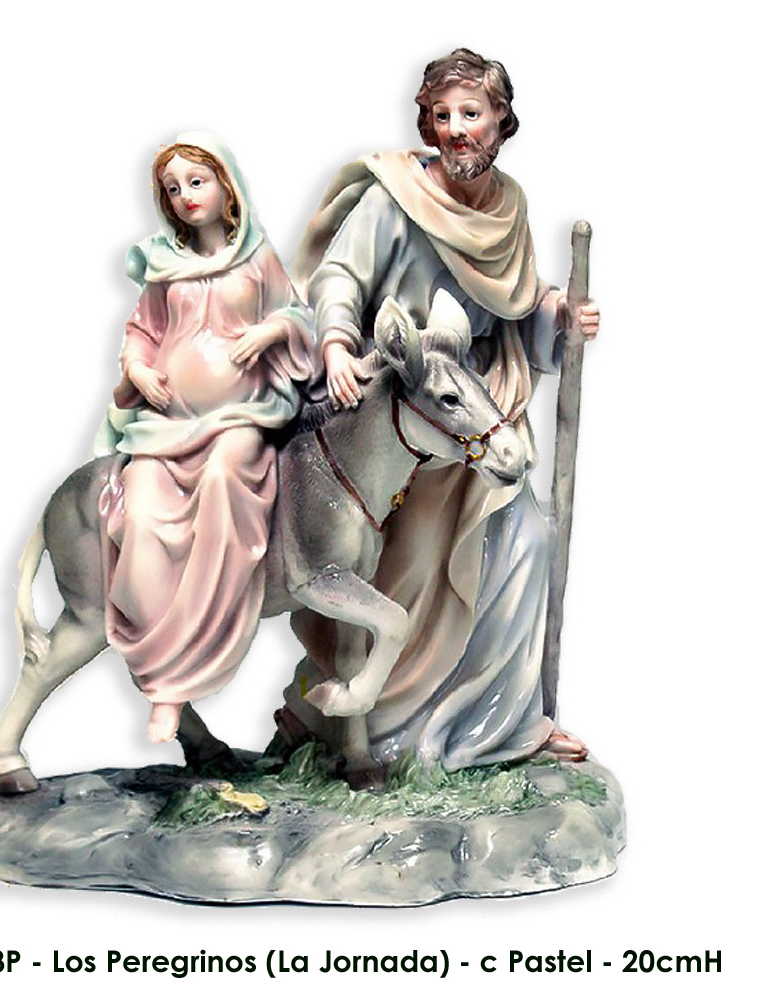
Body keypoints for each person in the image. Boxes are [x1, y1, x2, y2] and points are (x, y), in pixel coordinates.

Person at [276, 50, 600, 772]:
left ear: (501, 122)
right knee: (417, 557)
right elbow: (339, 277)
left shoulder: (509, 206)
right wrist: (336, 344)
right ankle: (376, 724)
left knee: (525, 542)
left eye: (471, 114)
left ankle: (505, 723)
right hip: (401, 410)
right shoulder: (395, 198)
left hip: (475, 406)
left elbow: (515, 305)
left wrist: (559, 317)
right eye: (442, 115)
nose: (456, 129)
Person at [99, 132, 313, 744]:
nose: (186, 195)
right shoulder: (163, 265)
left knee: (225, 478)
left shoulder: (256, 258)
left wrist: (272, 330)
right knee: (139, 511)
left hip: (242, 416)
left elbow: (298, 315)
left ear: (227, 187)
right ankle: (165, 678)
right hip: (168, 427)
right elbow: (142, 332)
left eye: (197, 182)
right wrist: (138, 370)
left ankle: (203, 637)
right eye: (173, 189)